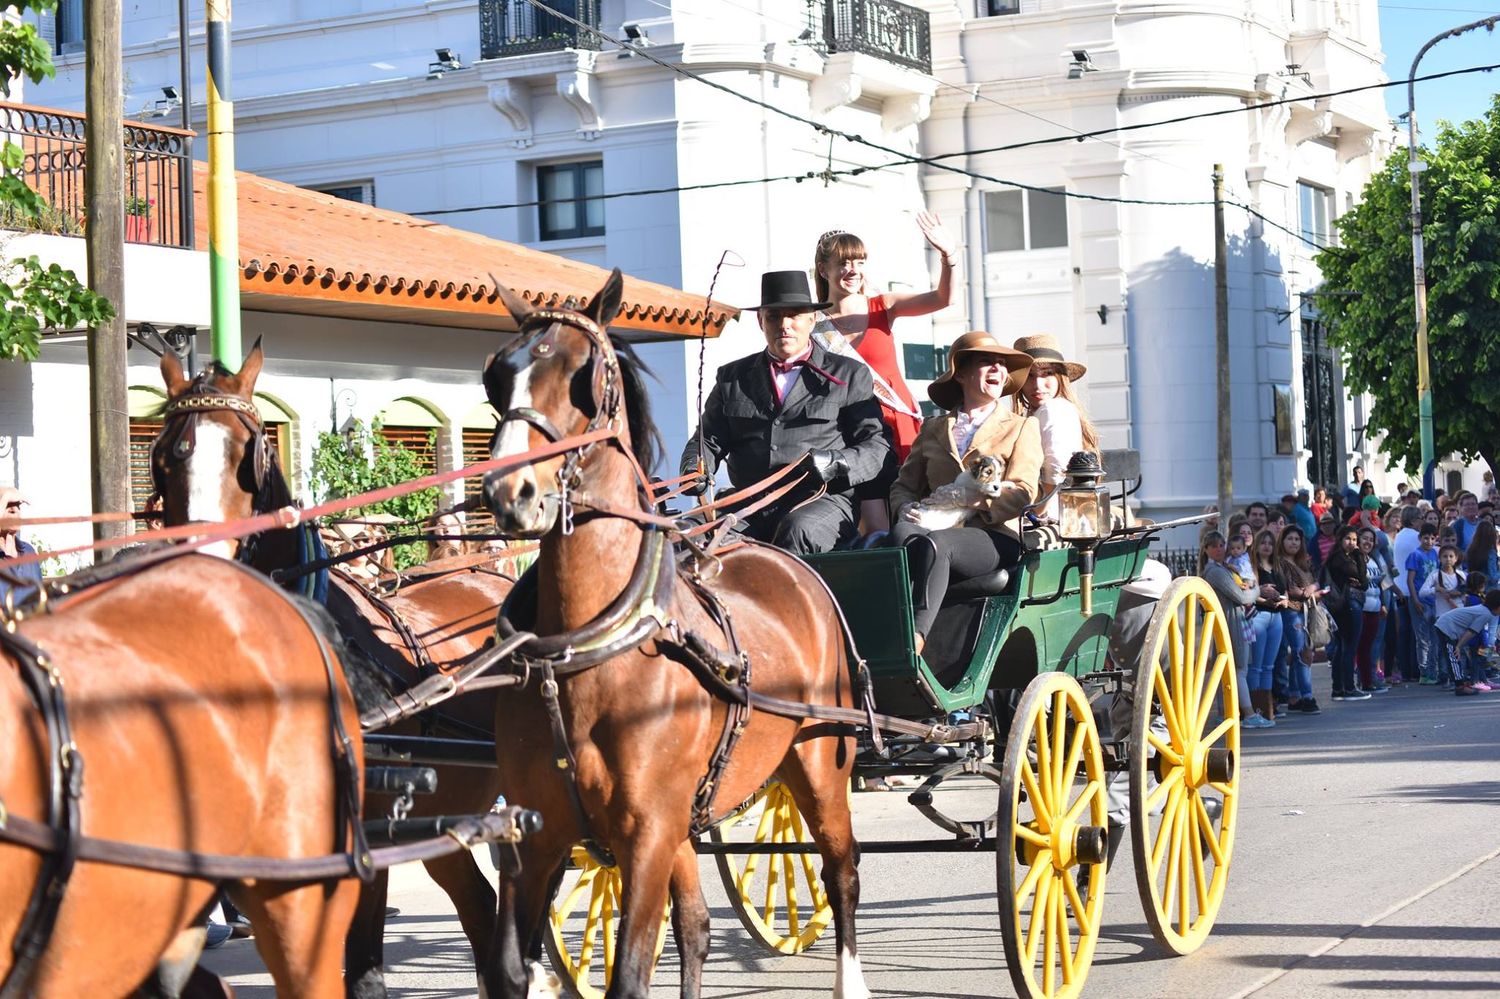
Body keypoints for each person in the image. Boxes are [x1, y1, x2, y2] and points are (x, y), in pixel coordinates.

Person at [681, 270, 892, 554]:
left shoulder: (849, 373)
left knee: (797, 530)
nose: (784, 325)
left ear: (812, 319)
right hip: (748, 504)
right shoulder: (732, 377)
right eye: (774, 317)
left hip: (821, 502)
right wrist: (694, 467)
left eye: (794, 316)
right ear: (760, 321)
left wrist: (838, 462)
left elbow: (877, 446)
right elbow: (708, 440)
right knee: (687, 534)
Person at [888, 331, 1039, 654]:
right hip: (933, 524)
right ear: (962, 373)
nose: (998, 369)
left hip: (992, 535)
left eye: (1002, 364)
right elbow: (904, 485)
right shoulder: (932, 428)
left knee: (938, 545)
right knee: (902, 534)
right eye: (987, 362)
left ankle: (914, 640)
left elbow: (1024, 491)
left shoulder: (1021, 427)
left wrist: (974, 499)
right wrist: (905, 508)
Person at [812, 215, 955, 532]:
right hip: (850, 427)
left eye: (859, 262)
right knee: (874, 523)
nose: (853, 270)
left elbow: (943, 298)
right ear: (824, 269)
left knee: (914, 504)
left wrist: (948, 257)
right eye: (843, 263)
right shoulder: (812, 325)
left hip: (895, 419)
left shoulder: (883, 306)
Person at [1011, 333, 1097, 519]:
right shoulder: (1042, 411)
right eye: (1029, 376)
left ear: (1060, 377)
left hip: (1051, 515)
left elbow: (1056, 466)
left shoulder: (1052, 408)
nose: (1037, 385)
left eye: (1047, 373)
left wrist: (1037, 511)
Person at [1199, 530, 1270, 725]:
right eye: (1214, 546)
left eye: (1221, 545)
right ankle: (1248, 714)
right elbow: (1242, 597)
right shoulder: (1214, 571)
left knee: (1231, 670)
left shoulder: (1225, 567)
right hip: (1231, 623)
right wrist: (1257, 589)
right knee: (1239, 670)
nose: (1219, 549)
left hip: (1237, 621)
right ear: (1206, 549)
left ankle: (1228, 714)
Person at [1276, 526, 1322, 713]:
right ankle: (1307, 696)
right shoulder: (1279, 563)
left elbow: (1318, 580)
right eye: (1290, 539)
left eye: (1297, 539)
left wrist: (1312, 588)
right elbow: (1288, 589)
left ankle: (1295, 695)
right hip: (1291, 611)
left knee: (1302, 653)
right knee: (1302, 652)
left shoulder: (1303, 562)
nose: (1294, 542)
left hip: (1307, 610)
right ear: (1283, 541)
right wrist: (1307, 591)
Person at [1322, 524, 1369, 701]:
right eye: (1348, 539)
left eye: (1355, 540)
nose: (1352, 543)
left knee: (1343, 647)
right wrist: (1359, 555)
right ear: (1340, 539)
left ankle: (1339, 688)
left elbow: (1363, 583)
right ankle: (1348, 687)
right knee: (1349, 646)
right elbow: (1362, 578)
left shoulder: (1346, 557)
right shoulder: (1339, 559)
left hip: (1347, 605)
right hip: (1347, 606)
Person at [1248, 529, 1288, 725]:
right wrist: (1265, 599)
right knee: (1256, 666)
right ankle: (1255, 709)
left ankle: (1267, 708)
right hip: (1259, 616)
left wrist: (1285, 600)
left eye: (1270, 543)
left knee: (1269, 666)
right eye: (1263, 542)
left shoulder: (1277, 566)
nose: (1266, 546)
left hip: (1277, 617)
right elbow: (1249, 594)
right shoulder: (1252, 567)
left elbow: (1285, 590)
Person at [1435, 590, 1500, 695]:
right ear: (1497, 607)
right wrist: (1459, 646)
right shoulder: (1485, 614)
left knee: (1455, 657)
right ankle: (1459, 686)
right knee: (1453, 657)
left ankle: (1462, 682)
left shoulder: (1486, 611)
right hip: (1446, 627)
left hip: (1450, 628)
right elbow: (1471, 632)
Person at [1404, 523, 1442, 683]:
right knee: (1422, 638)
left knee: (1435, 638)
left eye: (1432, 538)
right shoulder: (1415, 555)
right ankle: (1424, 672)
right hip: (1420, 601)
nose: (1429, 541)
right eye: (1426, 537)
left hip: (1433, 600)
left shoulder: (1435, 554)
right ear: (1420, 538)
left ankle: (1434, 670)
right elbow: (1410, 580)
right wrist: (1415, 600)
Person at [1354, 527, 1390, 694]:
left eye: (1371, 539)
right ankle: (1362, 681)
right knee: (1359, 646)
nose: (1368, 542)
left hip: (1375, 608)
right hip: (1360, 608)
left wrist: (1383, 603)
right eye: (1364, 538)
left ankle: (1369, 680)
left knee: (1369, 646)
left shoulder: (1374, 559)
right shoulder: (1354, 559)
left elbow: (1380, 584)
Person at [0, 486, 42, 606]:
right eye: (7, 504)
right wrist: (6, 496)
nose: (15, 510)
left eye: (18, 505)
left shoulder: (29, 551)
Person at [1463, 518, 1498, 583]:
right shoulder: (1491, 552)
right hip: (1489, 588)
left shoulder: (1470, 550)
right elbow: (1493, 576)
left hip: (1473, 586)